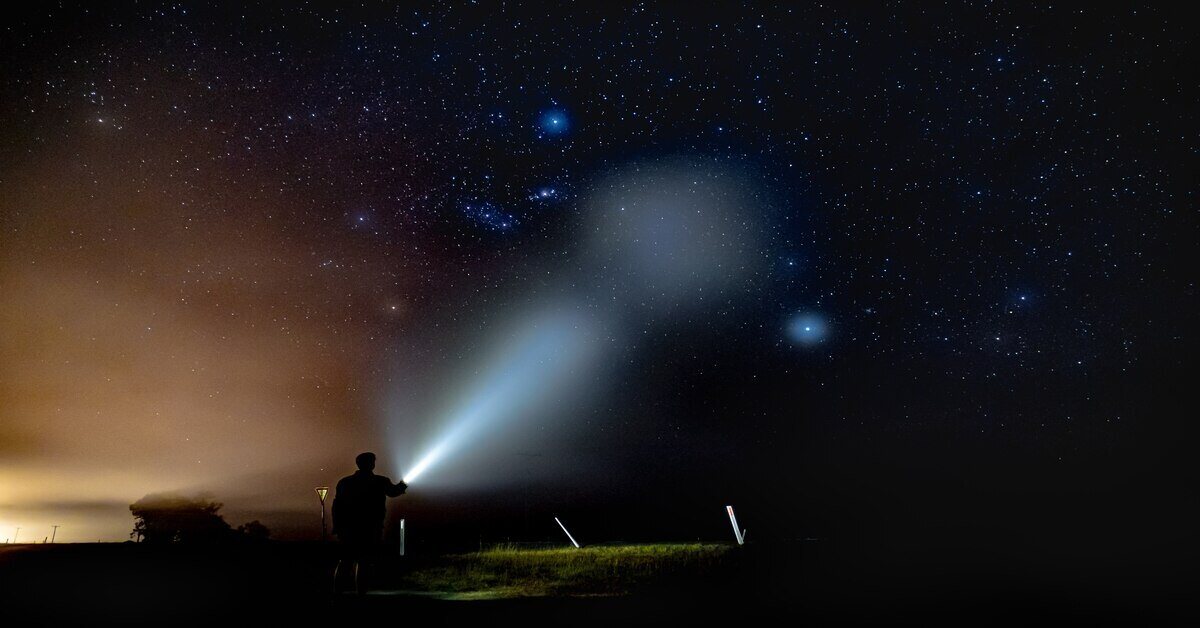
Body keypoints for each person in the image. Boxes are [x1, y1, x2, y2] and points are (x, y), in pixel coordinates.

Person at [331, 451, 407, 594]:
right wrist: (403, 485)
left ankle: (337, 593)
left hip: (348, 529)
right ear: (371, 464)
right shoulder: (380, 481)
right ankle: (361, 594)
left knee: (345, 561)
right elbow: (393, 492)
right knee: (364, 562)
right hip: (371, 528)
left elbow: (337, 506)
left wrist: (337, 526)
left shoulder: (345, 482)